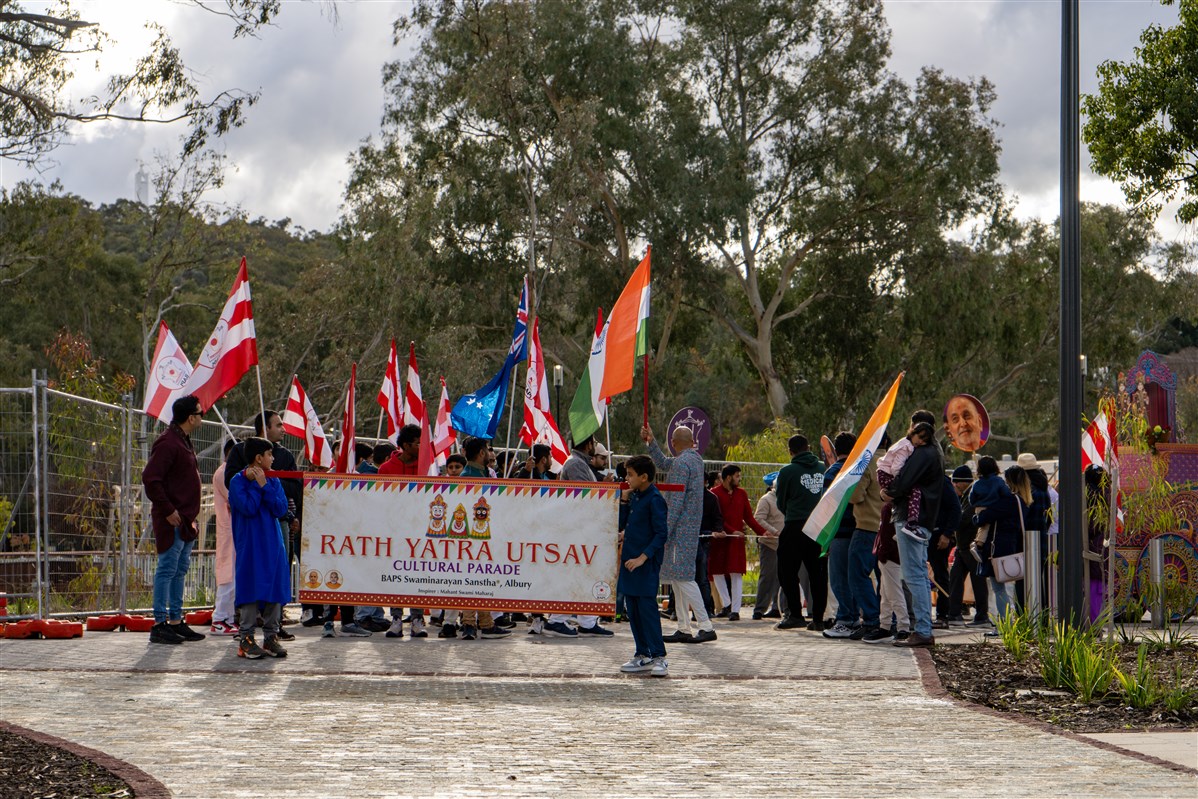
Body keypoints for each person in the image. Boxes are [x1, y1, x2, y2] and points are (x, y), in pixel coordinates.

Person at [141, 395, 207, 645]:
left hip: (186, 520)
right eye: (200, 413)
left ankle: (176, 621)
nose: (202, 417)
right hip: (172, 520)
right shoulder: (168, 442)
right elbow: (151, 479)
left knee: (179, 571)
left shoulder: (183, 441)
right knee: (167, 569)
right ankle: (159, 623)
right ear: (190, 418)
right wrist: (168, 510)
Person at [643, 423, 717, 645]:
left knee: (683, 578)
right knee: (678, 577)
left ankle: (705, 625)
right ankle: (684, 627)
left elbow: (675, 501)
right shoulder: (694, 460)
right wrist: (651, 442)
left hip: (679, 530)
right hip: (689, 529)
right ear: (692, 442)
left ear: (674, 443)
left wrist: (664, 530)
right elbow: (665, 463)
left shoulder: (681, 464)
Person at [883, 414, 944, 648]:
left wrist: (888, 492)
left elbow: (904, 480)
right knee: (918, 574)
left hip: (911, 520)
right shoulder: (935, 452)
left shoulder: (922, 453)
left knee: (914, 576)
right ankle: (923, 628)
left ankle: (922, 630)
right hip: (924, 520)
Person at [229, 437, 292, 659]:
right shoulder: (237, 481)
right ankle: (246, 638)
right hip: (250, 545)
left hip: (273, 544)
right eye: (269, 454)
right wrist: (257, 485)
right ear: (258, 458)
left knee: (275, 588)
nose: (272, 458)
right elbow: (248, 507)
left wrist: (265, 485)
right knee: (250, 587)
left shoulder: (272, 479)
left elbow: (281, 509)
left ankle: (271, 637)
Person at [546, 435, 611, 636]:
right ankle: (556, 620)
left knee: (584, 575)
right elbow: (584, 496)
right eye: (594, 443)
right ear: (588, 444)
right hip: (577, 529)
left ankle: (587, 622)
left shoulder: (580, 463)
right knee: (574, 575)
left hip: (583, 529)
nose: (595, 447)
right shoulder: (575, 464)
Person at [617, 455, 670, 677]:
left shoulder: (655, 499)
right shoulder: (635, 497)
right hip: (629, 563)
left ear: (644, 476)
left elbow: (661, 534)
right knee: (633, 609)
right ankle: (642, 654)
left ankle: (659, 657)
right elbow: (623, 524)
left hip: (645, 565)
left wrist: (643, 557)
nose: (627, 479)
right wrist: (624, 501)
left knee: (647, 611)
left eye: (630, 475)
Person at [774, 434, 827, 631]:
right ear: (809, 447)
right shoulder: (824, 468)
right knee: (818, 573)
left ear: (790, 451)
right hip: (819, 526)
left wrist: (792, 512)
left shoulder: (787, 471)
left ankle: (795, 614)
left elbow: (780, 501)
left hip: (795, 526)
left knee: (786, 571)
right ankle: (818, 618)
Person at [971, 461, 1027, 621]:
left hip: (996, 548)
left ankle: (1004, 623)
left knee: (998, 588)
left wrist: (976, 517)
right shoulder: (1021, 501)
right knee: (1011, 587)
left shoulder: (1005, 502)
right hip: (1013, 546)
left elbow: (981, 519)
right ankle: (1010, 621)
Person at [822, 432, 863, 639]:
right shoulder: (860, 469)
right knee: (855, 577)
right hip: (860, 530)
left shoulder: (832, 472)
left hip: (839, 533)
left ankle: (845, 619)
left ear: (835, 450)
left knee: (839, 579)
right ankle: (855, 618)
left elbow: (826, 506)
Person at [945, 465, 990, 628]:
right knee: (956, 578)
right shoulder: (965, 495)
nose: (954, 486)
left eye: (956, 483)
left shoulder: (973, 494)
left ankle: (982, 615)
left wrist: (950, 524)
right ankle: (954, 613)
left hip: (971, 545)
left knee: (977, 581)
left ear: (963, 482)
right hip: (963, 546)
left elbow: (965, 518)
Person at [211, 438, 239, 635]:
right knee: (227, 576)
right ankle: (219, 618)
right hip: (227, 530)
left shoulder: (231, 473)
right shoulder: (223, 473)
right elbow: (234, 498)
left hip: (234, 530)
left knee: (233, 577)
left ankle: (228, 619)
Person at [928, 473, 962, 630]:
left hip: (938, 536)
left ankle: (942, 615)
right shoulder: (918, 477)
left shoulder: (942, 481)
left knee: (941, 575)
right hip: (924, 532)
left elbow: (956, 509)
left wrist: (947, 534)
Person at [751, 472, 786, 620]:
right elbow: (758, 519)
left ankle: (778, 608)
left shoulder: (787, 499)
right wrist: (774, 531)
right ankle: (759, 609)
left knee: (783, 578)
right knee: (767, 577)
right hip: (769, 544)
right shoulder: (766, 500)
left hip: (784, 544)